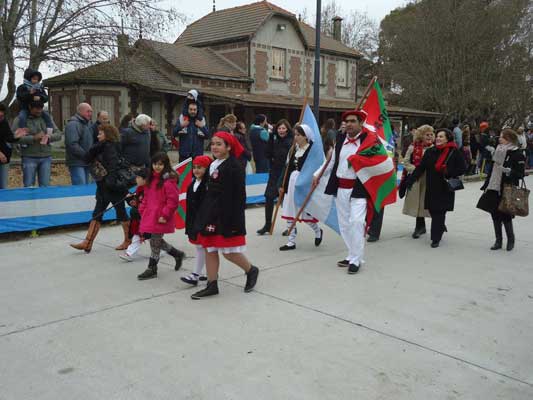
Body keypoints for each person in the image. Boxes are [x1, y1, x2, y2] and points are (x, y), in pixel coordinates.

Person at [189, 131, 259, 299]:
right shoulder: (214, 164)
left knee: (228, 252)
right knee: (209, 248)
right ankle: (212, 284)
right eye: (212, 143)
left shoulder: (234, 167)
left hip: (226, 215)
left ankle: (251, 270)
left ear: (228, 147)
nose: (214, 147)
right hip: (210, 213)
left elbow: (239, 197)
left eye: (219, 144)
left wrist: (234, 221)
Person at [312, 109, 371, 274]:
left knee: (357, 222)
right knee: (345, 225)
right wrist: (317, 175)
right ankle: (352, 254)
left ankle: (356, 260)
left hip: (358, 189)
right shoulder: (340, 139)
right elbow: (331, 163)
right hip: (341, 189)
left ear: (360, 124)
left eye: (353, 121)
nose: (349, 124)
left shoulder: (368, 141)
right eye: (347, 121)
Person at [70, 125, 129, 253]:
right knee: (98, 213)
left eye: (100, 133)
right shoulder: (101, 147)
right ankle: (87, 242)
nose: (98, 136)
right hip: (103, 186)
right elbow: (87, 158)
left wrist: (110, 184)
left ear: (107, 134)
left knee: (121, 213)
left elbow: (113, 167)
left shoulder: (110, 147)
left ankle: (128, 240)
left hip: (112, 187)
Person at [409, 128, 466, 248]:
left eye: (441, 137)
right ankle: (440, 226)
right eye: (438, 136)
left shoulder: (454, 151)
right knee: (432, 210)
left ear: (448, 138)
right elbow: (421, 167)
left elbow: (463, 168)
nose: (438, 138)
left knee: (439, 212)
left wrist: (449, 171)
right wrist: (410, 180)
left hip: (445, 187)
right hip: (432, 186)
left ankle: (436, 238)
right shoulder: (431, 151)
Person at [137, 152, 186, 280]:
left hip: (161, 216)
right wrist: (142, 210)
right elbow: (146, 197)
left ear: (166, 165)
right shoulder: (151, 179)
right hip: (150, 214)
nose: (157, 167)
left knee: (154, 241)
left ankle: (152, 268)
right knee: (155, 239)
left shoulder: (168, 180)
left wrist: (165, 214)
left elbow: (173, 201)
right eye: (155, 164)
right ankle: (177, 254)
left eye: (160, 164)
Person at [477, 129, 525, 251]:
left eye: (502, 137)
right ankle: (498, 240)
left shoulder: (517, 153)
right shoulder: (498, 150)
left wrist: (509, 172)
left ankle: (511, 239)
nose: (499, 139)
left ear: (509, 139)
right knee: (494, 214)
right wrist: (486, 184)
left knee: (506, 214)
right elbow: (493, 169)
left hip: (507, 188)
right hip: (494, 187)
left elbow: (520, 173)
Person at [279, 124, 323, 251]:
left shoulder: (311, 150)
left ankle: (318, 231)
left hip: (304, 184)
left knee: (304, 213)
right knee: (289, 210)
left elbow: (314, 169)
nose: (296, 137)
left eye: (298, 135)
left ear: (305, 136)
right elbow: (288, 169)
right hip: (292, 182)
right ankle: (291, 241)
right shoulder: (294, 149)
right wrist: (283, 185)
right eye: (295, 134)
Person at [12, 101, 62, 187]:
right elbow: (14, 138)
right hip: (29, 157)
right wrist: (33, 138)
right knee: (29, 186)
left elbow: (58, 134)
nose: (39, 111)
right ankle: (29, 201)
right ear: (30, 107)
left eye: (41, 108)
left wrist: (49, 137)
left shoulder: (47, 118)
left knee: (45, 186)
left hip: (46, 157)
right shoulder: (20, 119)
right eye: (36, 109)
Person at [257, 119, 293, 235]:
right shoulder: (274, 140)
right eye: (279, 128)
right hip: (274, 173)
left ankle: (290, 227)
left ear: (287, 129)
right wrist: (271, 139)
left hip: (286, 173)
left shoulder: (291, 141)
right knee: (268, 197)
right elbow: (267, 154)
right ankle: (267, 225)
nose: (281, 130)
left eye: (283, 128)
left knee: (286, 202)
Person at [180, 155, 212, 285]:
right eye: (194, 167)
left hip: (204, 222)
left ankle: (195, 275)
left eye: (200, 168)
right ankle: (207, 272)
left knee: (202, 247)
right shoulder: (193, 183)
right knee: (202, 247)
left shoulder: (208, 185)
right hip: (194, 221)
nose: (196, 170)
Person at [402, 125, 435, 238]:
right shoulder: (413, 147)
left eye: (431, 134)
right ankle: (419, 226)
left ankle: (438, 225)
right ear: (421, 135)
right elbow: (405, 162)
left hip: (430, 179)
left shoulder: (435, 148)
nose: (430, 137)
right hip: (416, 179)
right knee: (418, 203)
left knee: (428, 203)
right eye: (427, 134)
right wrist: (416, 170)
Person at [119, 169, 148, 262]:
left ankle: (129, 253)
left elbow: (146, 205)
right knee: (138, 235)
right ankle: (129, 253)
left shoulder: (149, 191)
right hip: (137, 219)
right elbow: (137, 202)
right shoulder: (139, 189)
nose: (136, 179)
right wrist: (132, 200)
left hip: (146, 219)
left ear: (145, 180)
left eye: (139, 177)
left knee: (150, 237)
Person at [15, 68, 54, 134]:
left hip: (39, 108)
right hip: (26, 108)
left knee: (47, 116)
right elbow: (20, 97)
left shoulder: (40, 88)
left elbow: (46, 98)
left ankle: (49, 131)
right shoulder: (22, 87)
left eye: (37, 79)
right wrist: (29, 94)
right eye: (34, 79)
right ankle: (22, 133)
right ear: (29, 78)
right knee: (22, 117)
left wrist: (40, 97)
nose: (36, 81)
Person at [64, 103, 94, 185]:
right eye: (88, 111)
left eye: (91, 112)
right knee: (80, 187)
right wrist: (86, 156)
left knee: (86, 188)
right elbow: (72, 144)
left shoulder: (88, 124)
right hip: (77, 162)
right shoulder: (73, 124)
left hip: (86, 162)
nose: (90, 114)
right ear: (80, 111)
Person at [0, 104, 27, 189]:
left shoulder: (4, 122)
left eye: (2, 115)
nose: (1, 118)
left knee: (3, 186)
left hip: (5, 159)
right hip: (2, 156)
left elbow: (9, 137)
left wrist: (16, 136)